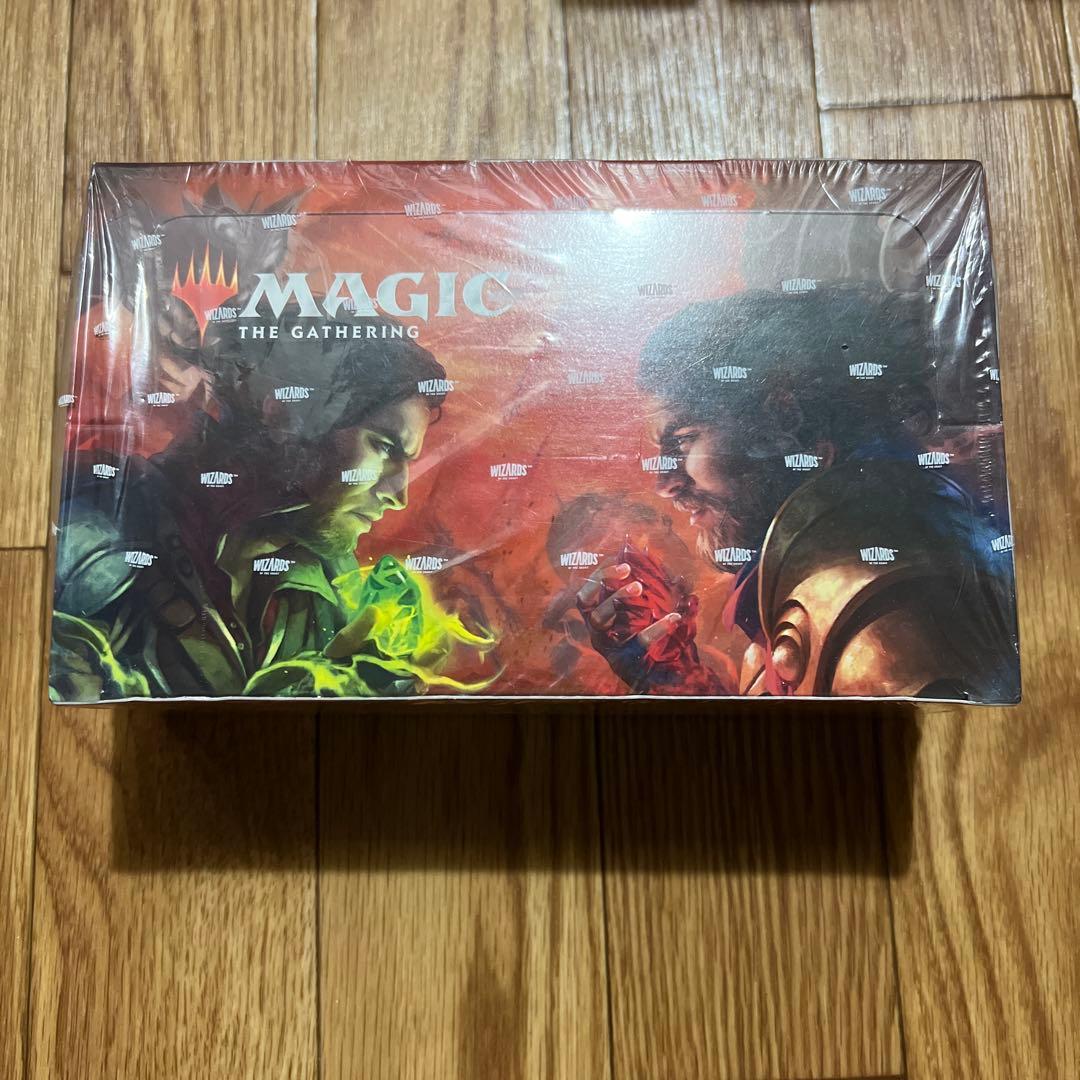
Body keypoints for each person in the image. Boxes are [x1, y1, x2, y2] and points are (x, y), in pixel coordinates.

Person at [577, 286, 1021, 701]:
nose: (664, 483)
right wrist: (671, 676)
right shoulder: (812, 594)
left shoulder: (878, 614)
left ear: (785, 417)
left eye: (684, 439)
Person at [50, 312, 452, 700]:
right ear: (285, 414)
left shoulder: (333, 582)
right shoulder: (99, 521)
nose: (399, 495)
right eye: (383, 446)